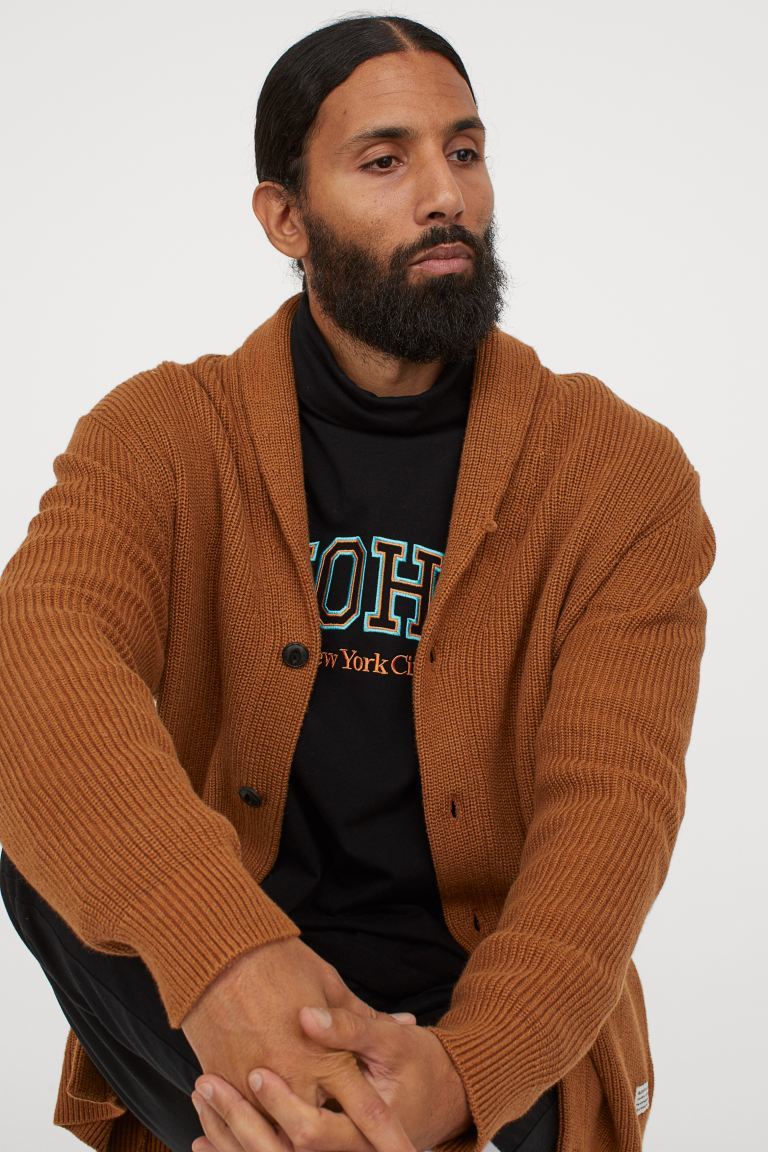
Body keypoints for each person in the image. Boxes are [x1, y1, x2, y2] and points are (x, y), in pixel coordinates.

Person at [0, 14, 715, 1152]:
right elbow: (33, 665)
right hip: (231, 997)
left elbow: (612, 816)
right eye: (386, 161)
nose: (447, 196)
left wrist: (457, 1078)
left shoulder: (619, 472)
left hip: (479, 1015)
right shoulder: (163, 433)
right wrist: (229, 957)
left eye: (466, 151)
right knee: (43, 805)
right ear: (285, 217)